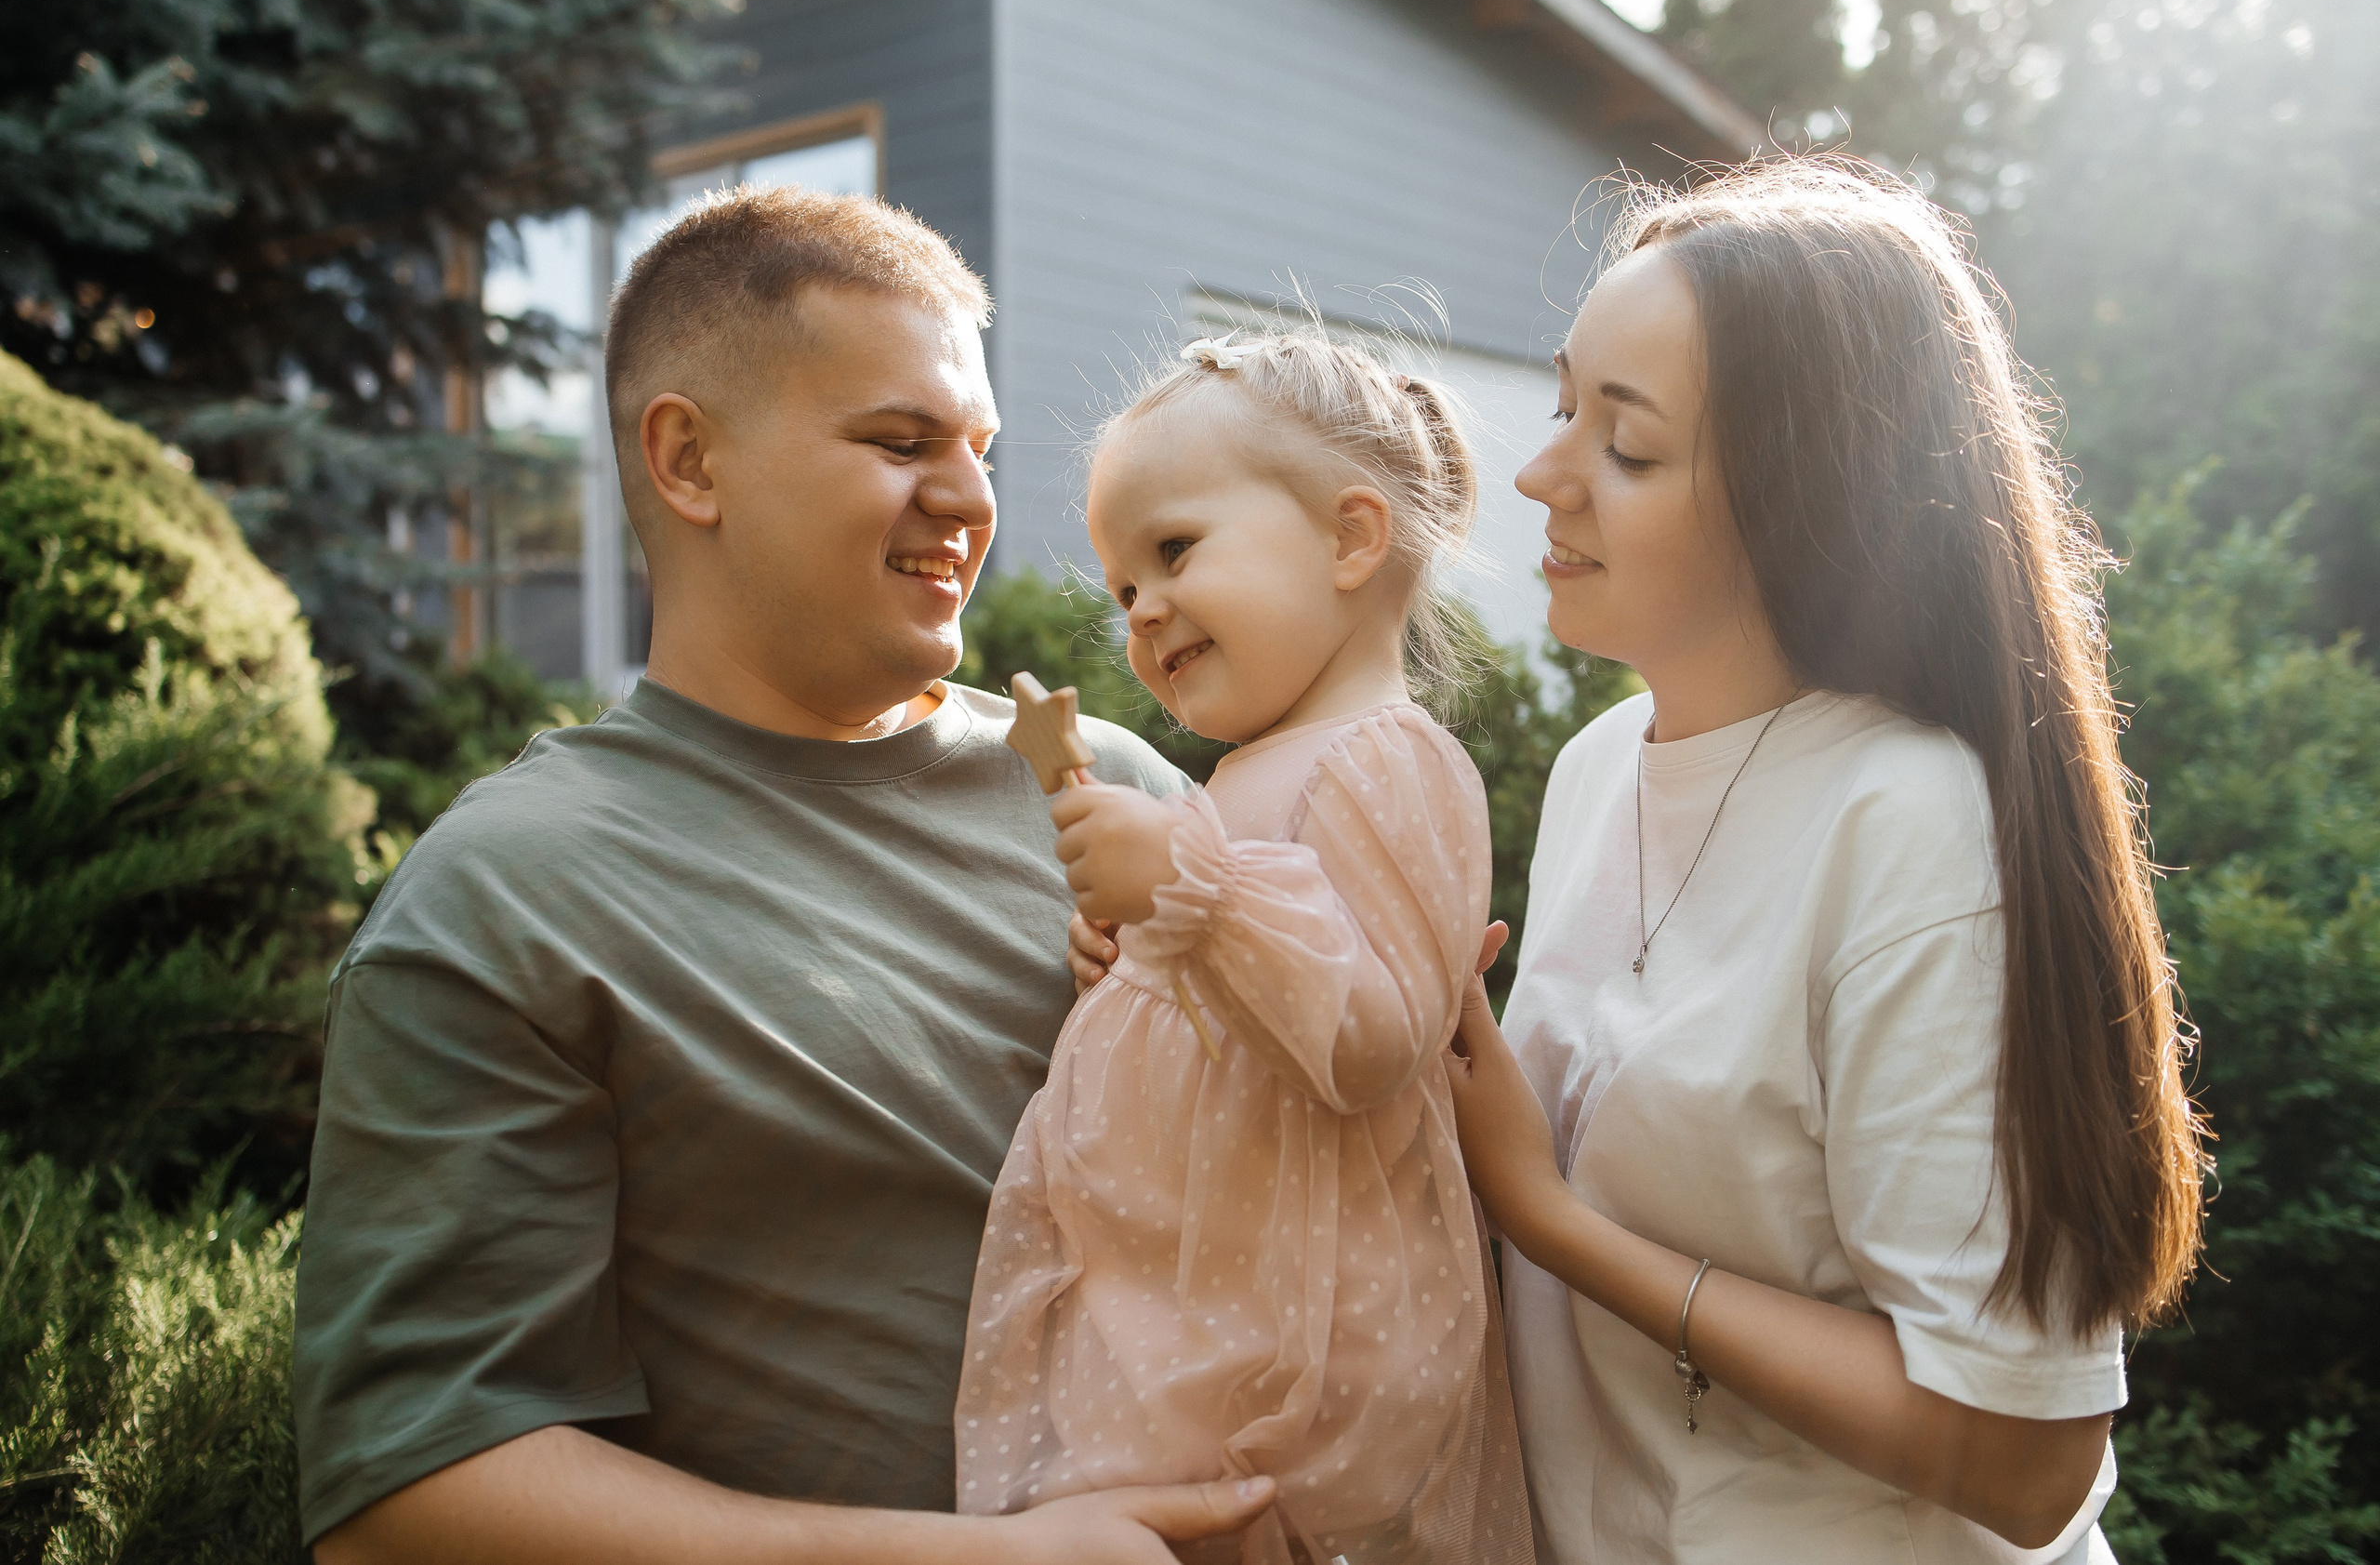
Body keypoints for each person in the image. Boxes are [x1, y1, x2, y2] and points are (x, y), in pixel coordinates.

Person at [295, 186, 1283, 1564]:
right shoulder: (508, 898)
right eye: (900, 441)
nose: (973, 499)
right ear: (689, 461)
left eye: (983, 448)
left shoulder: (1112, 790)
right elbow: (412, 1492)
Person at [1443, 159, 2209, 1563]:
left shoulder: (1912, 821)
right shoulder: (1599, 767)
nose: (1541, 473)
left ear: (1805, 492)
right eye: (1566, 407)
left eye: (1627, 443)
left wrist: (1549, 1218)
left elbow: (2028, 1456)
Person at [963, 331, 1529, 1565]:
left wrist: (1192, 889)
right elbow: (1245, 996)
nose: (1142, 608)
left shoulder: (1391, 758)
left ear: (1350, 539)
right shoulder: (1239, 776)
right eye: (1120, 588)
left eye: (1174, 551)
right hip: (1198, 1307)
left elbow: (1376, 1038)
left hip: (1314, 1335)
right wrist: (1138, 958)